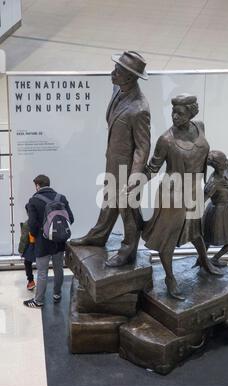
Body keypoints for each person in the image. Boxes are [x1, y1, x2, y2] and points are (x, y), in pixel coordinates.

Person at [70, 51, 151, 267]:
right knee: (108, 201)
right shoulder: (118, 90)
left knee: (128, 211)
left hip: (127, 170)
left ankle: (128, 251)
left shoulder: (139, 109)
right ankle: (99, 235)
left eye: (118, 71)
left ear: (131, 77)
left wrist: (135, 176)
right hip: (113, 162)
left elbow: (143, 147)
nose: (112, 73)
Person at [141, 94, 222, 301]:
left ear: (192, 113)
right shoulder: (166, 140)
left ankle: (204, 261)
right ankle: (170, 278)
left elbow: (203, 156)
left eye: (180, 113)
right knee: (168, 236)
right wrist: (135, 183)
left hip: (194, 189)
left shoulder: (200, 127)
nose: (175, 116)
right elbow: (153, 168)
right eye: (173, 112)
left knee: (195, 229)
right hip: (172, 193)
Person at [23, 175, 74, 308]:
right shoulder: (61, 198)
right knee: (58, 269)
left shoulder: (33, 200)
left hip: (43, 242)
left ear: (38, 186)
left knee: (42, 272)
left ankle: (39, 301)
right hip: (59, 241)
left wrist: (38, 235)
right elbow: (71, 219)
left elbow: (32, 225)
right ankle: (57, 295)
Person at [202, 150, 228, 267]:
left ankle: (213, 259)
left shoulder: (227, 172)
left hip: (226, 210)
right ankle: (203, 260)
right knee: (208, 239)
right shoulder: (213, 182)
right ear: (219, 165)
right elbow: (203, 200)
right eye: (225, 160)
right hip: (216, 213)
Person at [18, 204, 36, 290]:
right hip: (43, 248)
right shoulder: (43, 221)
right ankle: (43, 282)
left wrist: (21, 251)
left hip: (32, 248)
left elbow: (24, 240)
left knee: (27, 263)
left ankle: (31, 281)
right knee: (42, 267)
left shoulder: (27, 224)